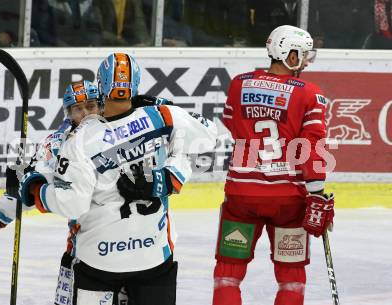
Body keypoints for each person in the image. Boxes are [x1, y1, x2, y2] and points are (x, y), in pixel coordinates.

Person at [18, 52, 217, 305]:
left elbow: (72, 204)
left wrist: (37, 191)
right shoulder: (163, 116)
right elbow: (208, 134)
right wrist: (168, 178)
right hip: (153, 255)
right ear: (135, 85)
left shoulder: (78, 140)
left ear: (99, 86)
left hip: (99, 259)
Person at [0, 79, 175, 305]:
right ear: (68, 113)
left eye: (91, 106)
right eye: (78, 109)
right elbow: (29, 191)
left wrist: (159, 106)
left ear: (103, 105)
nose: (85, 114)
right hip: (92, 255)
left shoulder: (128, 127)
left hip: (144, 251)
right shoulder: (57, 146)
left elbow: (176, 129)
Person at [212, 25, 335, 305]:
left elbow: (232, 124)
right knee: (291, 276)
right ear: (289, 55)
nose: (305, 61)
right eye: (302, 55)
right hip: (287, 201)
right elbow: (312, 146)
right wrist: (316, 191)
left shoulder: (239, 83)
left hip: (242, 196)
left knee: (228, 273)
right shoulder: (310, 94)